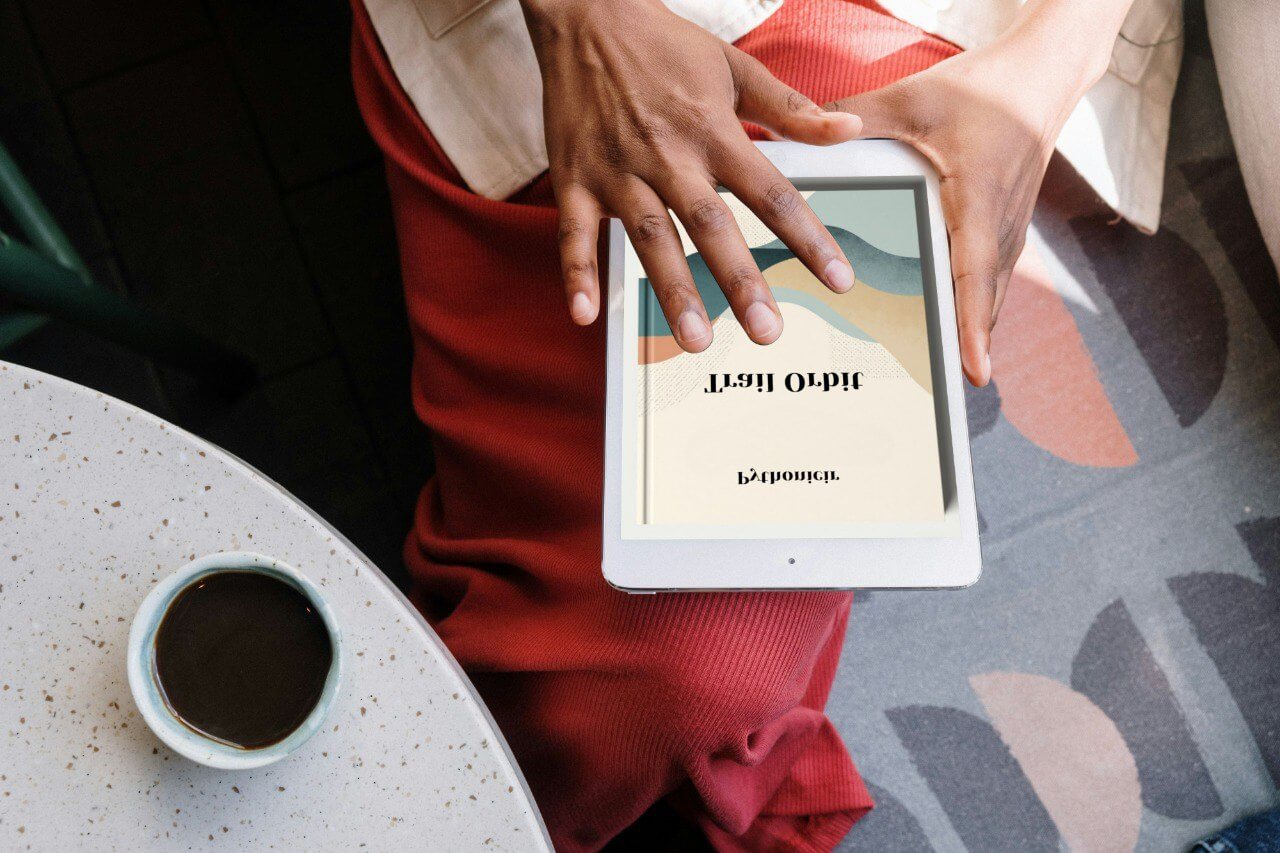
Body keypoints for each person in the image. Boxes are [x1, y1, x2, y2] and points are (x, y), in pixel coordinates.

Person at [350, 0, 1175, 848]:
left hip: (914, 36)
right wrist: (582, 24)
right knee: (635, 685)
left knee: (679, 672)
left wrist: (1044, 79)